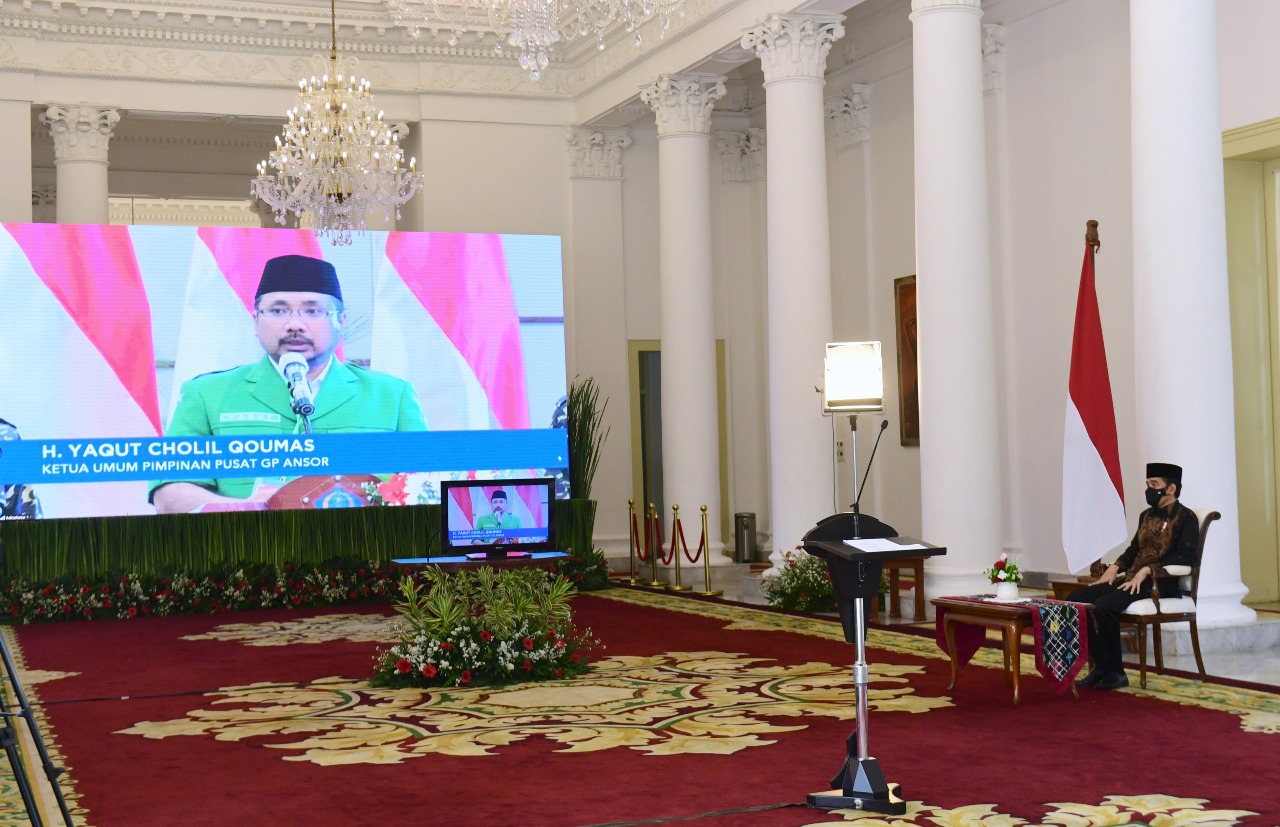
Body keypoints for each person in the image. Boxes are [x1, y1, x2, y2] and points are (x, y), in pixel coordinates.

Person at [150, 255, 427, 514]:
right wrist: (257, 513)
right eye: (278, 310)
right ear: (256, 321)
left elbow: (426, 487)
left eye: (313, 311)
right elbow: (171, 492)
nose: (295, 324)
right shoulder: (208, 394)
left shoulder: (391, 395)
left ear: (341, 322)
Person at [1069, 462, 1198, 690]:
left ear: (1171, 489)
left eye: (1155, 484)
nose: (1150, 489)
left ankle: (1116, 673)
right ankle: (1102, 665)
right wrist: (1115, 567)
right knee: (1076, 600)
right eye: (1148, 484)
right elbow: (1134, 550)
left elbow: (1186, 558)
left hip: (1160, 583)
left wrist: (1148, 570)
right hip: (1131, 580)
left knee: (1104, 607)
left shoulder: (1186, 517)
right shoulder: (1146, 516)